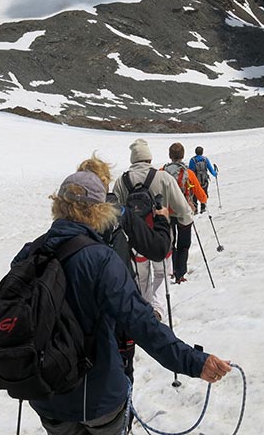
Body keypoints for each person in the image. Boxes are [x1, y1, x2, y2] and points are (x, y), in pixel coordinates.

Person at [14, 170, 231, 435]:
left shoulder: (29, 253)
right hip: (99, 396)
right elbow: (142, 323)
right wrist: (195, 362)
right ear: (99, 210)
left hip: (46, 394)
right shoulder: (100, 259)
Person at [77, 154, 172, 382]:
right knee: (121, 372)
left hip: (78, 315)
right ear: (105, 183)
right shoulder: (118, 213)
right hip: (119, 309)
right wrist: (161, 220)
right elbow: (158, 249)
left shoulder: (68, 219)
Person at [113, 139, 194, 320]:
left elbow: (115, 211)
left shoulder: (121, 181)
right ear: (149, 158)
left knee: (142, 279)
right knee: (161, 274)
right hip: (160, 238)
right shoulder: (163, 177)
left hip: (135, 241)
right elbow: (182, 208)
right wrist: (185, 223)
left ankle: (145, 311)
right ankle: (158, 310)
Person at [162, 142, 207, 284]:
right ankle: (180, 274)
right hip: (184, 213)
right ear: (182, 156)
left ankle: (172, 269)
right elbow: (201, 195)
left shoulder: (161, 171)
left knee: (171, 242)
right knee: (184, 244)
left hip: (167, 212)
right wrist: (202, 200)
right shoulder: (189, 173)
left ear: (170, 155)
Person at [188, 146, 218, 213]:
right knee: (204, 193)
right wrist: (215, 173)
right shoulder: (205, 159)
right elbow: (211, 170)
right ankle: (203, 208)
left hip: (195, 182)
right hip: (204, 181)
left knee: (195, 196)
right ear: (202, 152)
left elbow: (190, 172)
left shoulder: (192, 160)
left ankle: (195, 210)